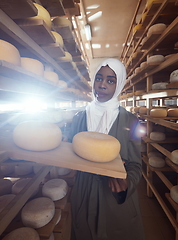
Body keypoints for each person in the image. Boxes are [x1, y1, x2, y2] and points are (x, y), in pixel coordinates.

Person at [67, 58, 145, 240]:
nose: (102, 85)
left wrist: (127, 183)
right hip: (84, 193)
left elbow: (135, 164)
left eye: (110, 81)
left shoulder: (131, 121)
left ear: (118, 85)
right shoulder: (79, 118)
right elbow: (71, 154)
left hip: (114, 197)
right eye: (98, 78)